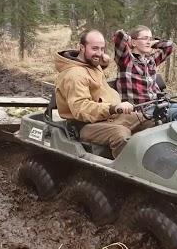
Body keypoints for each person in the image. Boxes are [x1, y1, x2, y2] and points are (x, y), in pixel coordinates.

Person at [55, 29, 153, 158]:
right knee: (120, 134)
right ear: (82, 47)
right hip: (86, 125)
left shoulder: (90, 63)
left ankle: (152, 160)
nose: (100, 53)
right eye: (95, 48)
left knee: (148, 120)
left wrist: (104, 60)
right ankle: (126, 173)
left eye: (102, 49)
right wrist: (113, 108)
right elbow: (81, 109)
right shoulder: (74, 75)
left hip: (108, 117)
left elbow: (98, 64)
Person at [112, 26, 177, 121]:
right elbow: (119, 36)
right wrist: (130, 40)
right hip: (141, 111)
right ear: (133, 42)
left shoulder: (151, 60)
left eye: (150, 39)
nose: (148, 42)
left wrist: (154, 42)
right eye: (145, 38)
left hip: (159, 104)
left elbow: (170, 46)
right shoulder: (126, 61)